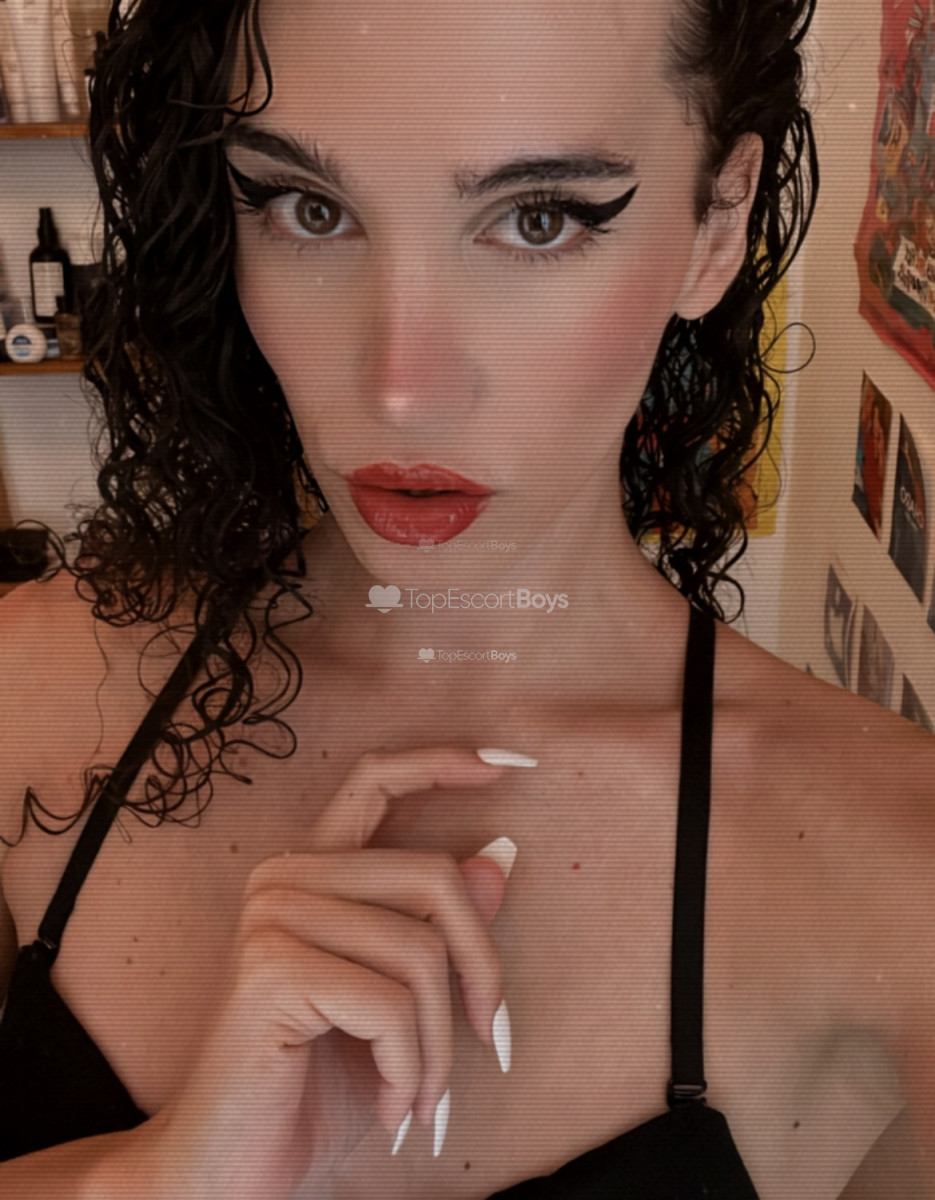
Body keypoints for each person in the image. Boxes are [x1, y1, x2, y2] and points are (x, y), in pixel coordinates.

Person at [0, 0, 932, 1195]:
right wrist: (150, 1180)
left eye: (538, 219)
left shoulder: (895, 873)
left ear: (716, 222)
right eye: (307, 208)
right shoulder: (27, 687)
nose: (402, 392)